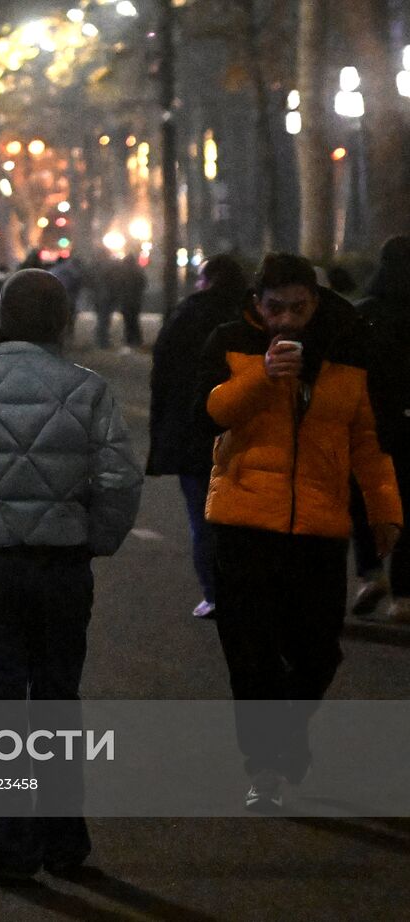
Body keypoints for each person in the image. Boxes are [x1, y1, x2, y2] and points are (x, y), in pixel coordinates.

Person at [0, 269, 142, 882]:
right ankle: (64, 840)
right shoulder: (88, 390)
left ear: (1, 320)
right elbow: (119, 478)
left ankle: (14, 844)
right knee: (58, 700)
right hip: (62, 565)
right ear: (62, 322)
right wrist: (97, 538)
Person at [196, 252, 402, 812]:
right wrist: (262, 377)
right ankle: (264, 766)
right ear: (257, 305)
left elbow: (368, 440)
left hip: (318, 524)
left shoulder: (346, 345)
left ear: (314, 302)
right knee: (251, 655)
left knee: (317, 653)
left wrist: (384, 510)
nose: (287, 319)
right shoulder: (230, 342)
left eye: (298, 307)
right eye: (275, 308)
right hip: (243, 521)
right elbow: (209, 412)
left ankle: (287, 730)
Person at [147, 254, 249, 618]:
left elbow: (162, 375)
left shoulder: (186, 316)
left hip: (192, 433)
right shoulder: (249, 317)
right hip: (244, 433)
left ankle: (215, 594)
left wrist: (163, 432)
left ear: (208, 281)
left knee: (203, 517)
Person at [349, 235, 410, 621]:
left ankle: (371, 574)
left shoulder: (364, 314)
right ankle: (404, 596)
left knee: (364, 501)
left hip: (368, 424)